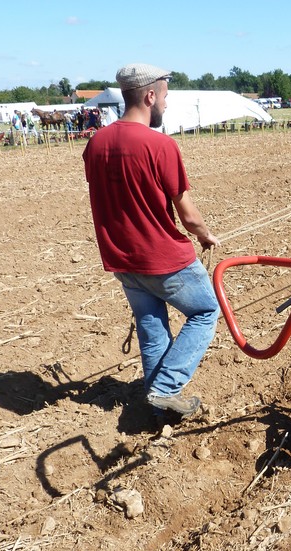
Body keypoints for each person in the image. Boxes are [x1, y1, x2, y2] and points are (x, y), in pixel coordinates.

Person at [82, 63, 221, 420]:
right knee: (205, 311)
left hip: (122, 260)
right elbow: (188, 215)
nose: (165, 104)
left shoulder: (95, 144)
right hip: (163, 258)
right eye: (165, 97)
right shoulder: (160, 145)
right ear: (149, 96)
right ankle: (166, 387)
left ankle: (156, 407)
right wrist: (205, 236)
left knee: (152, 327)